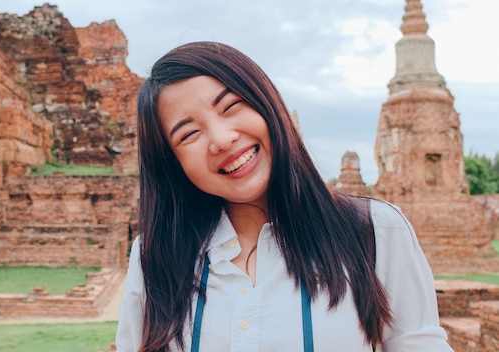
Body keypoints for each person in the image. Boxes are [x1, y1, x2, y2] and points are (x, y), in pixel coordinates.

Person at [116, 41, 452, 352]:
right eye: (189, 134)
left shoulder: (375, 231)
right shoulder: (154, 256)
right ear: (173, 163)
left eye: (231, 106)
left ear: (268, 105)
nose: (221, 139)